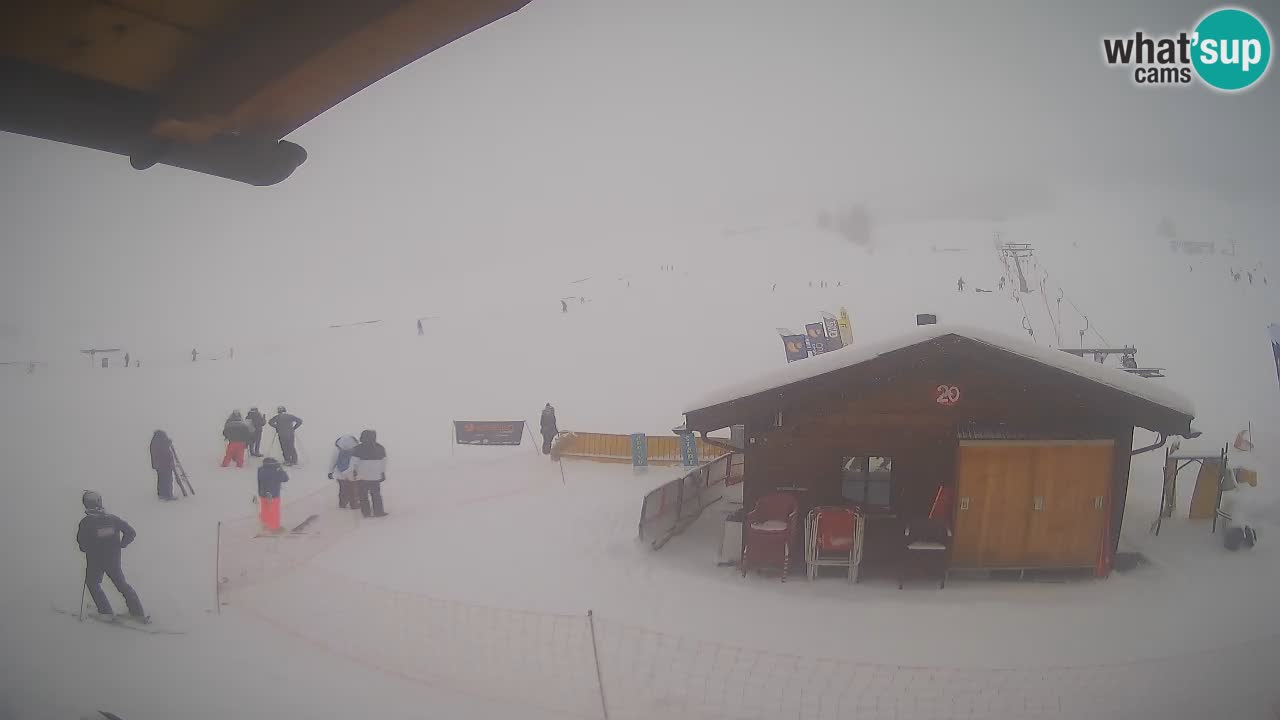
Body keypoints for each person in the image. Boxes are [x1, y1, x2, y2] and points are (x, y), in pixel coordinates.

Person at [76, 491, 146, 621]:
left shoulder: (86, 523)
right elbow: (131, 533)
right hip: (112, 559)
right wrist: (120, 545)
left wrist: (88, 548)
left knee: (93, 583)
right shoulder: (112, 519)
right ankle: (137, 613)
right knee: (121, 584)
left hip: (95, 560)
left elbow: (82, 543)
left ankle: (106, 612)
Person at [350, 430, 388, 518]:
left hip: (362, 476)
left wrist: (353, 472)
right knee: (376, 494)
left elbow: (353, 463)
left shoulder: (357, 448)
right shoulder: (380, 448)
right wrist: (382, 473)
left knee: (363, 495)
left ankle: (366, 513)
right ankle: (378, 511)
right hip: (375, 476)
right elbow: (383, 462)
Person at [256, 458, 289, 533]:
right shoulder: (276, 471)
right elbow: (285, 478)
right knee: (274, 511)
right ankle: (274, 527)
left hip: (263, 494)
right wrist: (281, 469)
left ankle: (265, 524)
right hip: (273, 495)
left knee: (265, 510)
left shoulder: (260, 470)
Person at [328, 434, 360, 509]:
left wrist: (330, 471)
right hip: (351, 474)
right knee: (353, 489)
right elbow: (357, 463)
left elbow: (333, 462)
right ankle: (354, 504)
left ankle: (342, 503)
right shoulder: (355, 452)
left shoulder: (337, 451)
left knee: (342, 489)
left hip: (340, 474)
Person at [150, 430, 175, 500]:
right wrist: (168, 443)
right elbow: (163, 451)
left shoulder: (155, 442)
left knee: (161, 479)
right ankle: (168, 495)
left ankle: (161, 494)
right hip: (164, 465)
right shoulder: (159, 443)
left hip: (160, 465)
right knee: (167, 479)